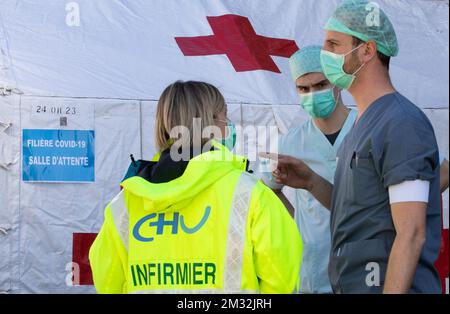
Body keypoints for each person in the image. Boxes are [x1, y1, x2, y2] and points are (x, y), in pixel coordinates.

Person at [262, 0, 442, 293]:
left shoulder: (400, 123)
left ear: (367, 51)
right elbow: (354, 214)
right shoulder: (363, 126)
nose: (325, 56)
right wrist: (309, 181)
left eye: (333, 45)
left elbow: (411, 233)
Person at [89, 80, 302, 294]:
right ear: (210, 123)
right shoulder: (251, 195)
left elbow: (107, 280)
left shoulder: (126, 203)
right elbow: (282, 277)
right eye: (223, 115)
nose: (228, 124)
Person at [262, 45, 357, 294]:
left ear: (338, 81)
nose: (312, 94)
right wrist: (296, 223)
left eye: (321, 85)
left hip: (366, 267)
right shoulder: (288, 142)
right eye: (303, 89)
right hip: (314, 272)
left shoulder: (369, 129)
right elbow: (264, 191)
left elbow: (440, 171)